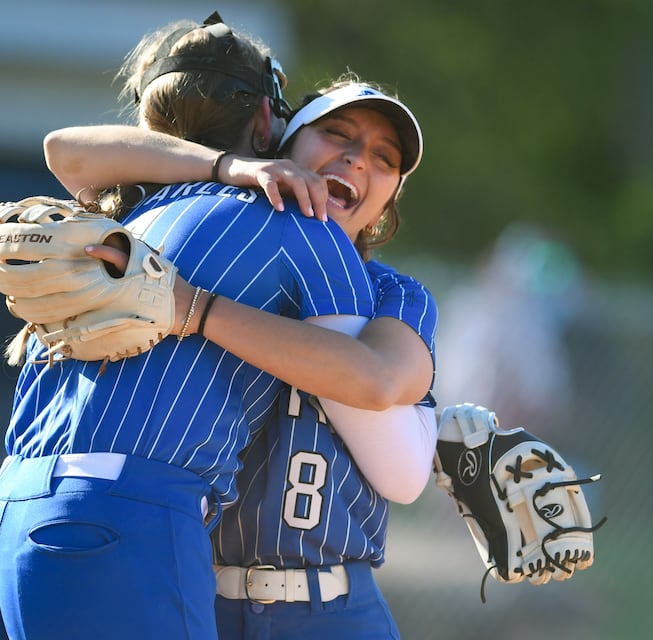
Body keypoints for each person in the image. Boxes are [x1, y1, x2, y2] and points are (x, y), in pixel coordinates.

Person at [0, 15, 377, 640]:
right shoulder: (297, 220)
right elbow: (371, 385)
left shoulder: (122, 217)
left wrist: (225, 166)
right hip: (115, 524)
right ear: (266, 116)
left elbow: (62, 148)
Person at [45, 75, 439, 638]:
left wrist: (196, 309)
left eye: (384, 158)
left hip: (333, 605)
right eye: (337, 134)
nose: (355, 160)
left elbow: (385, 383)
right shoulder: (224, 230)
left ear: (390, 195)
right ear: (284, 144)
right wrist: (230, 166)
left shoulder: (390, 293)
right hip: (193, 596)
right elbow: (65, 151)